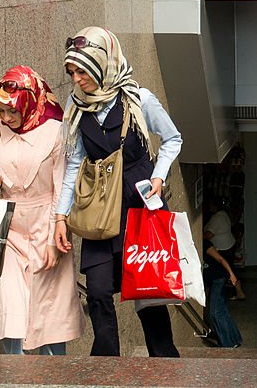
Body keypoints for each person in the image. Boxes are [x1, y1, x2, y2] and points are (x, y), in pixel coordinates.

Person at [53, 27, 183, 357]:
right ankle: (106, 367)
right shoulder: (76, 105)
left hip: (139, 204)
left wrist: (159, 176)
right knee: (97, 292)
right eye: (72, 72)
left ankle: (165, 364)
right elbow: (74, 163)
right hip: (98, 204)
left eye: (82, 71)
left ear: (102, 63)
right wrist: (60, 216)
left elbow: (172, 139)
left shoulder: (139, 99)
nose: (76, 79)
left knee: (148, 295)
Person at [0, 65, 86, 355]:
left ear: (28, 102)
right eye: (0, 111)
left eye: (11, 111)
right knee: (10, 309)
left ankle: (52, 380)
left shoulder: (55, 132)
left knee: (49, 317)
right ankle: (16, 379)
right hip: (10, 229)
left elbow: (61, 188)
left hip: (48, 223)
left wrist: (54, 239)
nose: (5, 118)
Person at [202, 237, 243, 348]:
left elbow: (220, 259)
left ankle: (227, 344)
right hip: (212, 280)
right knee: (222, 310)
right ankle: (236, 338)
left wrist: (232, 274)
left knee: (215, 313)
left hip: (218, 278)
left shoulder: (205, 244)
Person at [204, 198, 245, 300]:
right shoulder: (223, 214)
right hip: (229, 244)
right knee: (229, 268)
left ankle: (239, 292)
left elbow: (209, 235)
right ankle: (239, 291)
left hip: (223, 248)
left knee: (226, 270)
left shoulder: (216, 218)